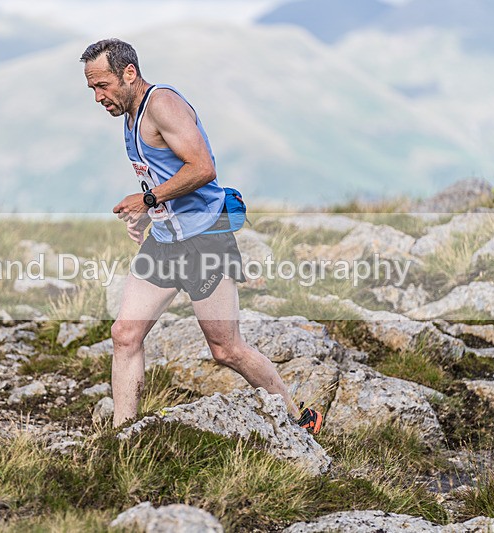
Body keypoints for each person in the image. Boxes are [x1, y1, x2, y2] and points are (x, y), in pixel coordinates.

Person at [80, 38, 322, 434]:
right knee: (125, 334)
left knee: (226, 349)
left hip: (205, 238)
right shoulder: (129, 113)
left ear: (129, 73)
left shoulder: (162, 105)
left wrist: (147, 199)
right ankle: (122, 438)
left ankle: (299, 419)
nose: (97, 97)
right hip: (165, 240)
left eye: (102, 85)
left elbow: (203, 168)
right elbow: (158, 174)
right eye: (92, 88)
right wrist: (147, 213)